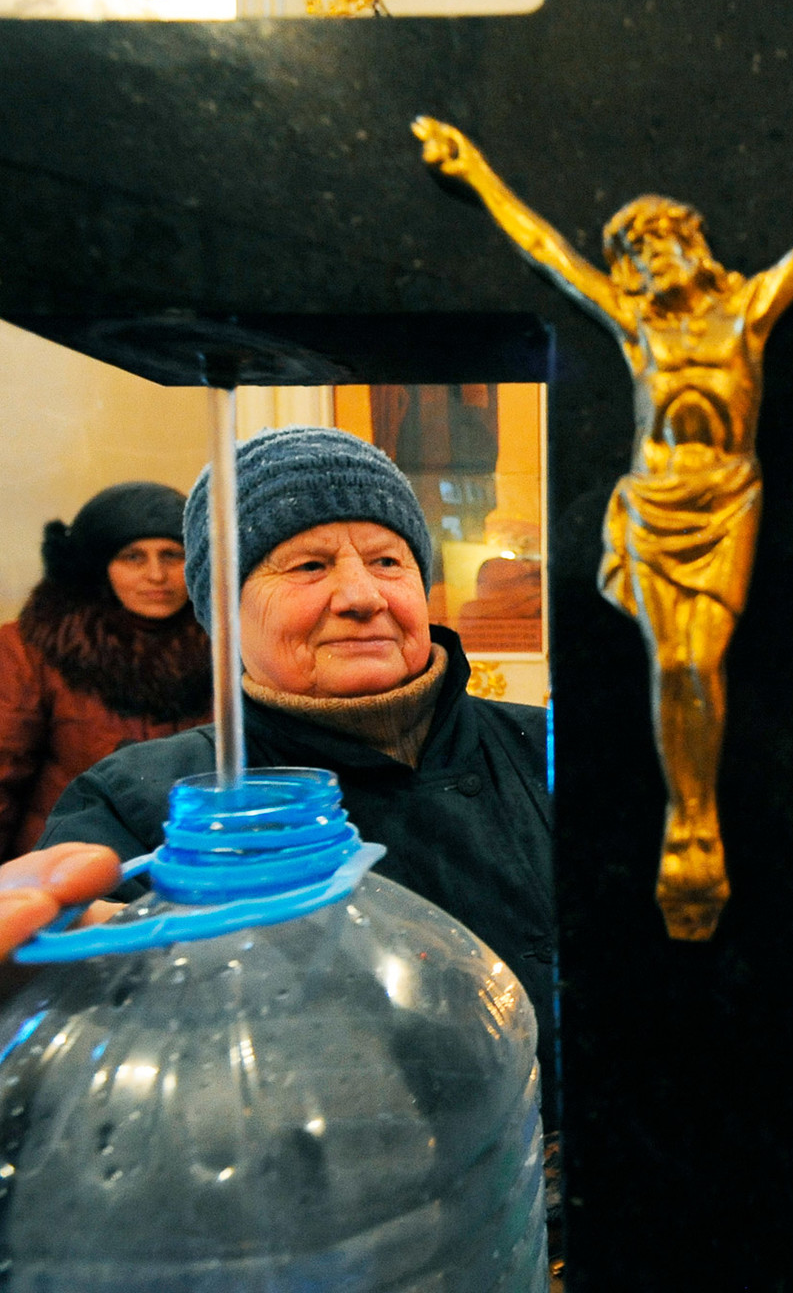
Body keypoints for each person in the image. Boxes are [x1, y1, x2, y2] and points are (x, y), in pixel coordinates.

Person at [415, 96, 793, 940]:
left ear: (692, 245)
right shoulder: (638, 329)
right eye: (638, 253)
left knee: (699, 662)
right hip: (654, 506)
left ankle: (698, 820)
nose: (653, 262)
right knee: (675, 665)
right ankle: (687, 824)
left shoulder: (747, 314)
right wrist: (474, 171)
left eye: (663, 244)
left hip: (728, 501)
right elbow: (547, 250)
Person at [32, 426, 557, 1114]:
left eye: (389, 562)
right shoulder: (140, 801)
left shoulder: (548, 747)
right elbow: (90, 1080)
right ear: (224, 614)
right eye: (309, 566)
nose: (362, 595)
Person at [0, 482, 209, 859]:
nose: (156, 575)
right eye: (133, 557)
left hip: (199, 868)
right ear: (98, 566)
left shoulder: (229, 647)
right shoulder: (28, 652)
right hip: (69, 874)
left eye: (172, 555)